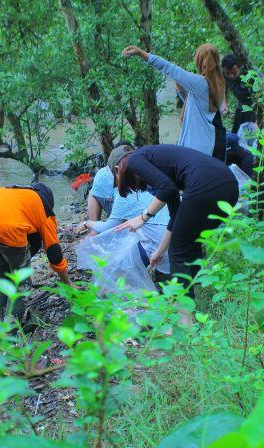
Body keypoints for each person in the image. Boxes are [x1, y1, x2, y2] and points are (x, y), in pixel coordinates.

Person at [107, 144, 239, 298]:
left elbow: (167, 188)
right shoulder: (161, 166)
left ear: (117, 169)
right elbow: (175, 216)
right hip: (229, 185)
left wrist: (143, 217)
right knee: (190, 242)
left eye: (116, 179)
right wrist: (159, 251)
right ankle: (194, 295)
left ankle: (184, 314)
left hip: (204, 184)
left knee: (178, 254)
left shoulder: (135, 159)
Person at [0, 183, 71, 322]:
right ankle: (12, 329)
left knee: (0, 273)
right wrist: (68, 284)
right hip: (6, 227)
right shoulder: (44, 208)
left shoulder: (17, 192)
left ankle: (2, 319)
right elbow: (54, 253)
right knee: (22, 282)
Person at [122, 44, 226, 161]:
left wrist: (141, 53)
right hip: (209, 144)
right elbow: (198, 105)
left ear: (200, 61)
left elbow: (170, 68)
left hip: (199, 150)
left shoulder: (201, 83)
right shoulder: (218, 82)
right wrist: (180, 89)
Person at [77, 189, 171, 282]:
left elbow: (108, 228)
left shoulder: (124, 195)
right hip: (171, 248)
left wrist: (86, 223)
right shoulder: (149, 191)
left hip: (156, 252)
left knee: (114, 249)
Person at [221, 54, 256, 134]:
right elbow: (223, 88)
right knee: (235, 135)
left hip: (253, 108)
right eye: (228, 73)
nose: (231, 76)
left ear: (240, 67)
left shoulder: (250, 74)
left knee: (249, 137)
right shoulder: (224, 74)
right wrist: (224, 103)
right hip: (240, 106)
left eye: (234, 72)